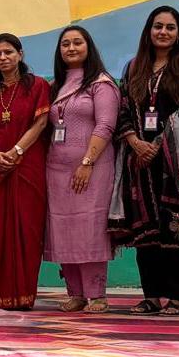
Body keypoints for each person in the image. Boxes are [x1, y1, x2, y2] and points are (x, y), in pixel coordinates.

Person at [108, 5, 179, 315]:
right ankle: (151, 296)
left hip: (174, 166)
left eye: (170, 27)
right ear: (149, 31)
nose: (163, 32)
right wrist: (135, 142)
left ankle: (176, 297)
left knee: (174, 231)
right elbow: (122, 108)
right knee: (145, 232)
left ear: (178, 34)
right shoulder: (135, 67)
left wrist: (159, 144)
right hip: (139, 164)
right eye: (158, 26)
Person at [44, 26, 120, 312]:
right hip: (56, 170)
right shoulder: (55, 85)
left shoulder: (101, 83)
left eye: (77, 42)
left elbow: (106, 125)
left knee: (90, 228)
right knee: (64, 228)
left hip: (93, 167)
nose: (71, 48)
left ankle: (97, 294)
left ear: (89, 47)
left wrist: (87, 162)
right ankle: (75, 293)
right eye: (65, 44)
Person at [0, 33, 50, 310]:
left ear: (20, 54)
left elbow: (41, 123)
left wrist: (17, 150)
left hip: (28, 164)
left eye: (8, 52)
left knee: (26, 228)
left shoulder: (38, 85)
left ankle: (23, 295)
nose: (3, 57)